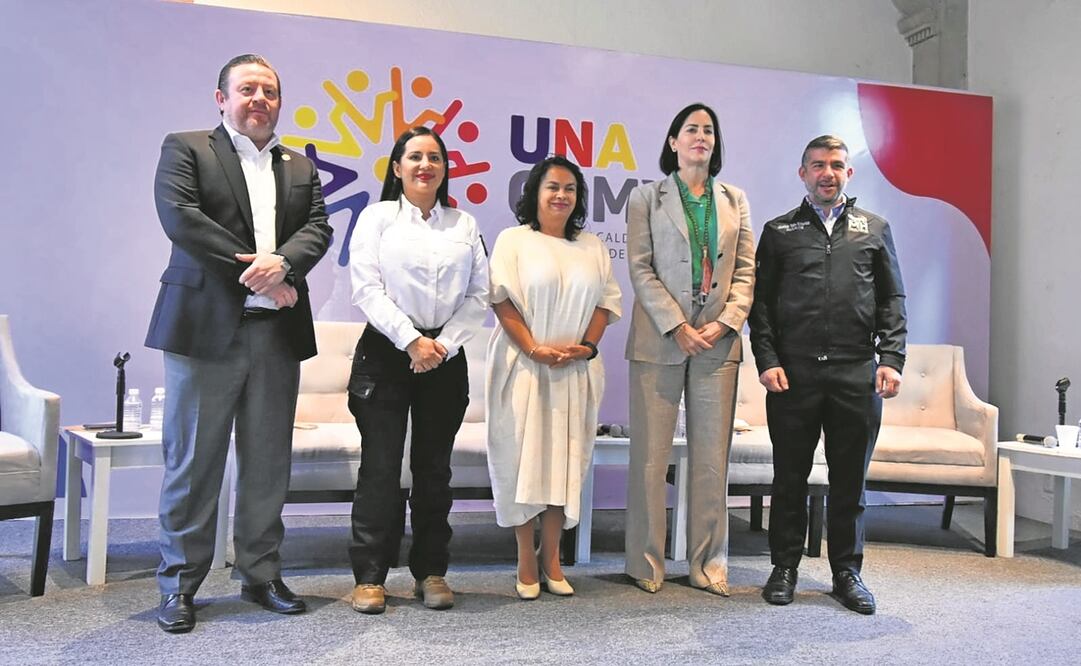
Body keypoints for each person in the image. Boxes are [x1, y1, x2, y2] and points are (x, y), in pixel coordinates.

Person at [146, 54, 332, 633]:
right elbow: (182, 218)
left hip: (275, 337)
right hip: (206, 332)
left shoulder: (300, 166)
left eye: (269, 91)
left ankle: (260, 573)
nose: (259, 99)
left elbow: (318, 228)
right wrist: (262, 272)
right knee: (193, 464)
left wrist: (286, 267)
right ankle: (179, 583)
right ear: (220, 97)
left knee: (267, 464)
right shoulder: (186, 147)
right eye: (247, 89)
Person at [749, 134, 907, 615]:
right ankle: (785, 567)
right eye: (817, 165)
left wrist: (892, 359)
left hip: (856, 372)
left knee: (849, 481)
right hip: (793, 374)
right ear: (802, 173)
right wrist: (768, 360)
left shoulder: (874, 229)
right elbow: (762, 306)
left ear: (848, 173)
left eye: (836, 164)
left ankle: (847, 572)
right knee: (789, 477)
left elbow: (891, 299)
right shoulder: (780, 231)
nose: (827, 173)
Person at [347, 126, 489, 615]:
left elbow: (479, 294)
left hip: (445, 357)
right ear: (397, 167)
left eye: (434, 157)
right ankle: (370, 576)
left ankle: (431, 571)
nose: (425, 165)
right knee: (380, 469)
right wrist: (410, 340)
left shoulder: (463, 224)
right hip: (387, 352)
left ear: (445, 168)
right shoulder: (377, 218)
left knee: (434, 472)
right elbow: (365, 288)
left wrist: (441, 345)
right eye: (414, 157)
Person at [624, 103, 755, 596]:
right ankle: (645, 563)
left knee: (710, 461)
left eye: (708, 130)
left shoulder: (734, 199)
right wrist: (676, 324)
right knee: (651, 459)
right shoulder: (645, 197)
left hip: (718, 343)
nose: (701, 136)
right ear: (673, 142)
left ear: (715, 143)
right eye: (690, 130)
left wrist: (725, 323)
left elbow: (745, 271)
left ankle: (707, 564)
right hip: (660, 339)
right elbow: (640, 267)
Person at [486, 156, 622, 600]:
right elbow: (502, 301)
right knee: (522, 461)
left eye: (569, 188)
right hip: (523, 366)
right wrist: (533, 348)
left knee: (564, 465)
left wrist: (586, 346)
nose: (561, 195)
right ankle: (526, 558)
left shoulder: (593, 246)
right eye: (552, 187)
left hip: (574, 370)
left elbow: (606, 302)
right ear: (534, 193)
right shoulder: (514, 241)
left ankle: (553, 558)